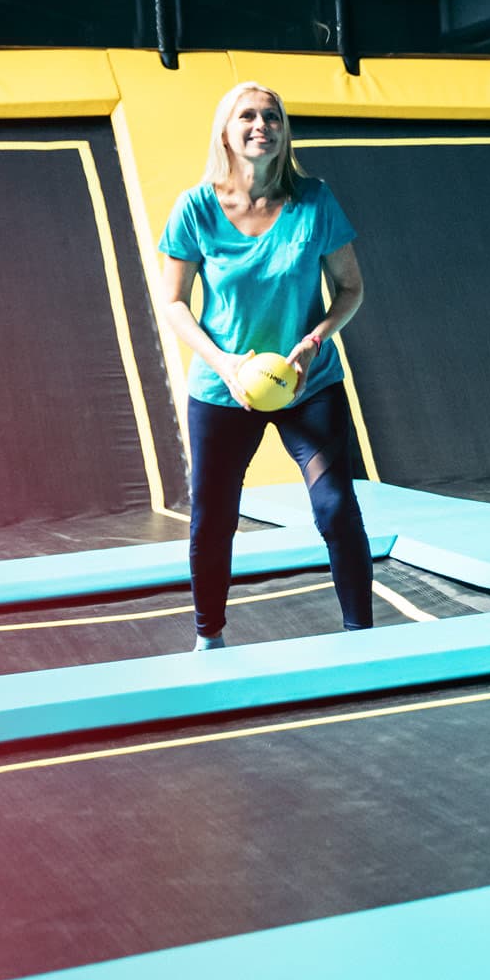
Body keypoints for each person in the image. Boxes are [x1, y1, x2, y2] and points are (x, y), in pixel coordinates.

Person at [154, 83, 373, 651]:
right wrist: (224, 364)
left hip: (308, 385)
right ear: (226, 132)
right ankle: (209, 639)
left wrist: (314, 341)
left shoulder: (315, 201)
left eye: (271, 116)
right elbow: (173, 302)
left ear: (283, 130)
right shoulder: (195, 208)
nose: (261, 125)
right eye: (247, 116)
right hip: (224, 390)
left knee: (336, 508)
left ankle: (363, 641)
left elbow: (350, 289)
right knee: (213, 518)